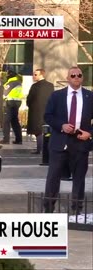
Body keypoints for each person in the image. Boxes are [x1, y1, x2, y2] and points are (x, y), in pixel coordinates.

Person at [43, 66, 93, 214]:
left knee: (79, 179)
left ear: (82, 78)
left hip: (80, 143)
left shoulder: (89, 97)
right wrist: (62, 125)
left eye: (79, 75)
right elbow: (48, 115)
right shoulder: (57, 96)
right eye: (73, 76)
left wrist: (89, 134)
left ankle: (77, 211)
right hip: (60, 143)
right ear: (68, 78)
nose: (76, 77)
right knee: (53, 177)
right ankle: (48, 209)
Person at [26, 69, 54, 154]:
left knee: (38, 131)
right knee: (46, 131)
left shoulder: (35, 86)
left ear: (41, 75)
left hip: (36, 112)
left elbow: (29, 99)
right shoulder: (50, 85)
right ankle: (46, 148)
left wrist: (29, 104)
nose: (33, 76)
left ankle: (39, 149)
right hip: (47, 111)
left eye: (35, 74)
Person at [0, 70, 23, 144]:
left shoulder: (10, 83)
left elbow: (4, 94)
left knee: (6, 121)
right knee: (15, 121)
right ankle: (19, 139)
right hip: (17, 103)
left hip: (10, 103)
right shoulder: (19, 82)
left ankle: (6, 139)